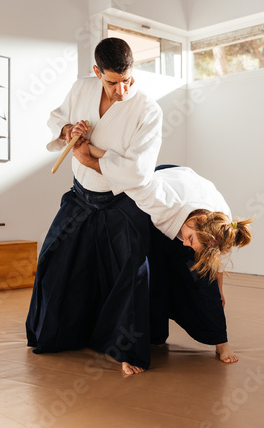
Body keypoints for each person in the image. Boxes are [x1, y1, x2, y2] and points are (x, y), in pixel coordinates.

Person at [26, 38, 162, 375]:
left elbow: (138, 170)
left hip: (121, 202)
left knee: (132, 273)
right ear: (96, 72)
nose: (122, 89)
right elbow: (57, 120)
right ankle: (54, 335)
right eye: (113, 81)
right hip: (81, 196)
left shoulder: (148, 109)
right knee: (54, 260)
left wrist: (89, 156)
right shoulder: (81, 89)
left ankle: (127, 351)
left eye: (128, 79)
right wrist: (69, 129)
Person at [74, 141, 252, 364]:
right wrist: (89, 154)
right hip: (161, 184)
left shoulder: (220, 224)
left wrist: (219, 292)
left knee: (201, 277)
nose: (186, 244)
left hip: (188, 194)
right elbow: (130, 172)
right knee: (150, 270)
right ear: (196, 221)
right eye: (189, 239)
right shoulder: (160, 201)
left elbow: (214, 261)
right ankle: (147, 334)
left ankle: (221, 343)